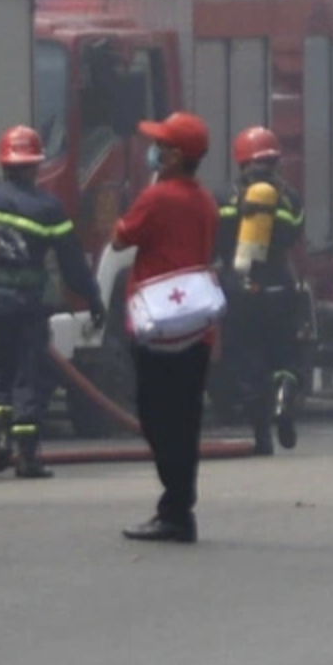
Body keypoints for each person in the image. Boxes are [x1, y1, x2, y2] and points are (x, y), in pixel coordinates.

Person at [106, 113, 222, 543]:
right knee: (185, 417)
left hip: (157, 324)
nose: (152, 150)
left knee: (156, 416)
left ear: (174, 156)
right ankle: (180, 507)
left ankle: (174, 507)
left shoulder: (157, 199)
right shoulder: (205, 200)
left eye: (159, 145)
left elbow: (120, 239)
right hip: (196, 327)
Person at [0, 125, 97, 478]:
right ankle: (27, 457)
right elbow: (72, 262)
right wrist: (93, 298)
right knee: (27, 373)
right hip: (28, 304)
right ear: (35, 165)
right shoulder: (47, 207)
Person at [215, 126, 310, 455]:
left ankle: (261, 437)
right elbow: (295, 235)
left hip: (240, 288)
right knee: (286, 353)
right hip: (279, 284)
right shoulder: (290, 197)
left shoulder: (225, 196)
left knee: (247, 357)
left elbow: (214, 239)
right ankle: (285, 393)